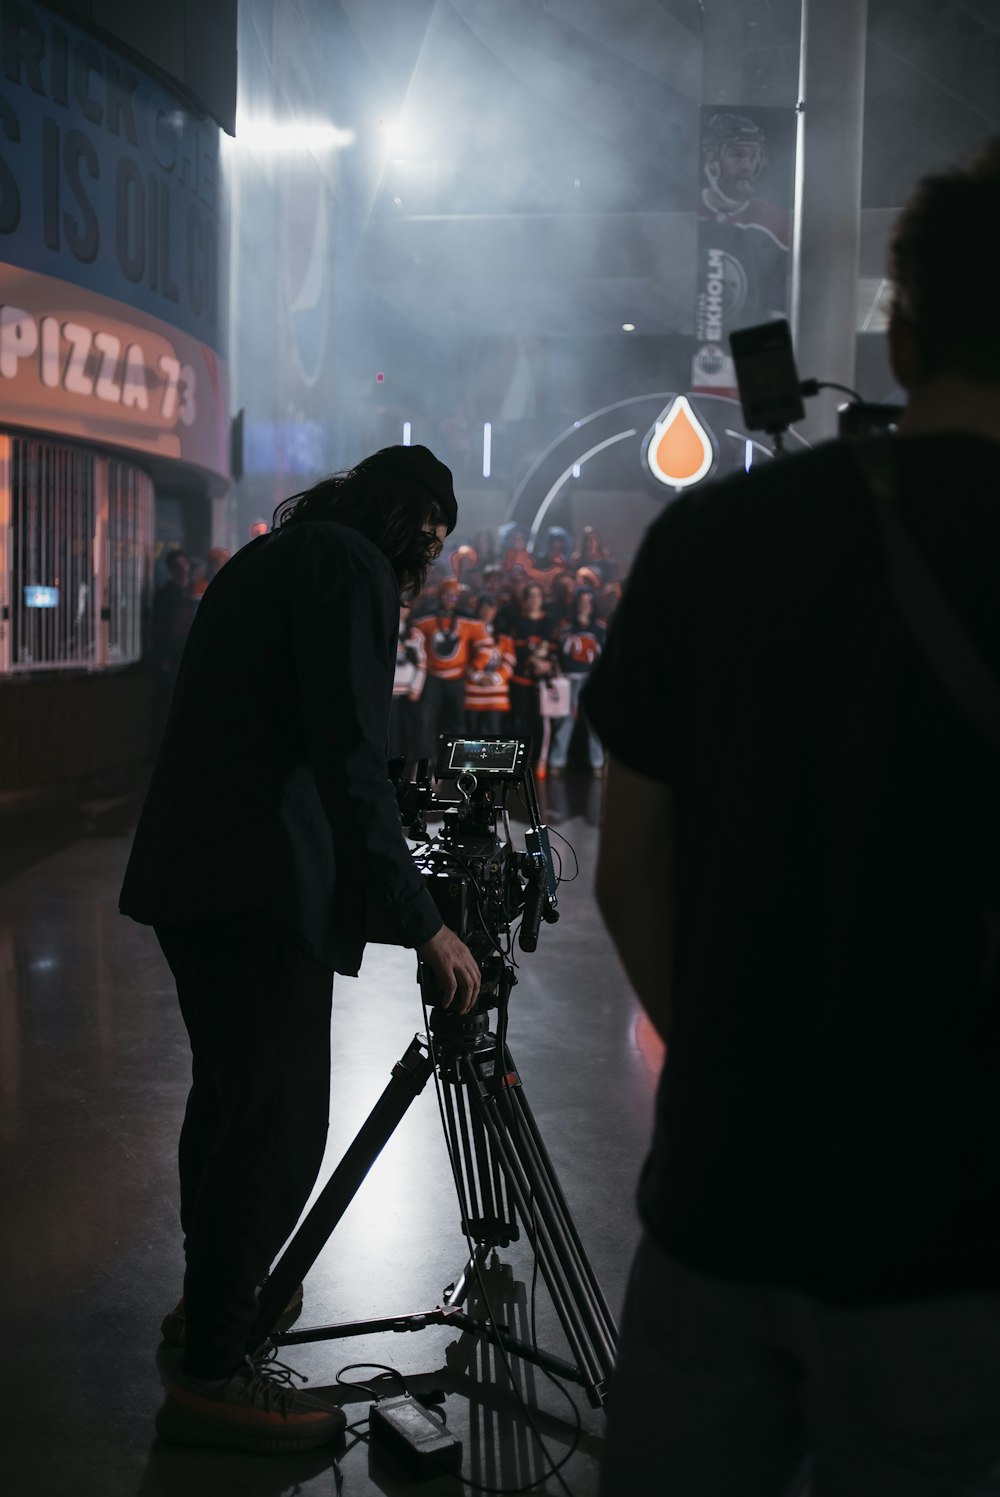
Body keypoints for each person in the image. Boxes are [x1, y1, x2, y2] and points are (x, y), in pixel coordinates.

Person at [584, 141, 1000, 1496]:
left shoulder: (713, 542)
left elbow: (627, 860)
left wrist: (725, 1055)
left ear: (910, 320)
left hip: (719, 1198)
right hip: (953, 1242)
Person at [120, 444, 481, 1456]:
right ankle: (217, 1371)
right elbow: (351, 758)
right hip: (256, 887)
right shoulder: (349, 567)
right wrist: (426, 920)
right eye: (431, 545)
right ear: (408, 521)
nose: (427, 568)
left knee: (233, 1107)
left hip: (202, 881)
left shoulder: (274, 556)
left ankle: (211, 1312)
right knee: (275, 1132)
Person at [412, 576, 487, 759]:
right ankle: (426, 764)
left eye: (454, 596)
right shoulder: (426, 617)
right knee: (427, 722)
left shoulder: (467, 619)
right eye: (446, 594)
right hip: (432, 677)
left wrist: (475, 667)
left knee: (457, 722)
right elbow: (413, 639)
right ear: (440, 595)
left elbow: (485, 645)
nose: (450, 599)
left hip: (457, 678)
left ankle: (457, 762)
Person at [548, 588, 605, 778]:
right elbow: (556, 652)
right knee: (565, 720)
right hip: (569, 678)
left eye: (589, 600)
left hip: (592, 678)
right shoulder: (565, 627)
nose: (585, 604)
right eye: (582, 600)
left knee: (594, 721)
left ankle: (598, 763)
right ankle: (557, 761)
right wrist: (557, 671)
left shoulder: (599, 628)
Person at [464, 593, 515, 737]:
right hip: (473, 692)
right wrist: (477, 677)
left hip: (496, 694)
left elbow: (509, 662)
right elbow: (463, 659)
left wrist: (494, 679)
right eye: (483, 607)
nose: (487, 611)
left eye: (491, 608)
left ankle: (493, 760)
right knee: (472, 734)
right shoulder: (468, 633)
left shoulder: (504, 636)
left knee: (493, 732)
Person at [389, 600, 427, 777]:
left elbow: (422, 664)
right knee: (391, 737)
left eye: (405, 607)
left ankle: (408, 774)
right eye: (399, 606)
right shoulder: (385, 627)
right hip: (388, 695)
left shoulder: (415, 634)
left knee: (409, 735)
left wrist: (416, 689)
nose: (402, 610)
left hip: (408, 695)